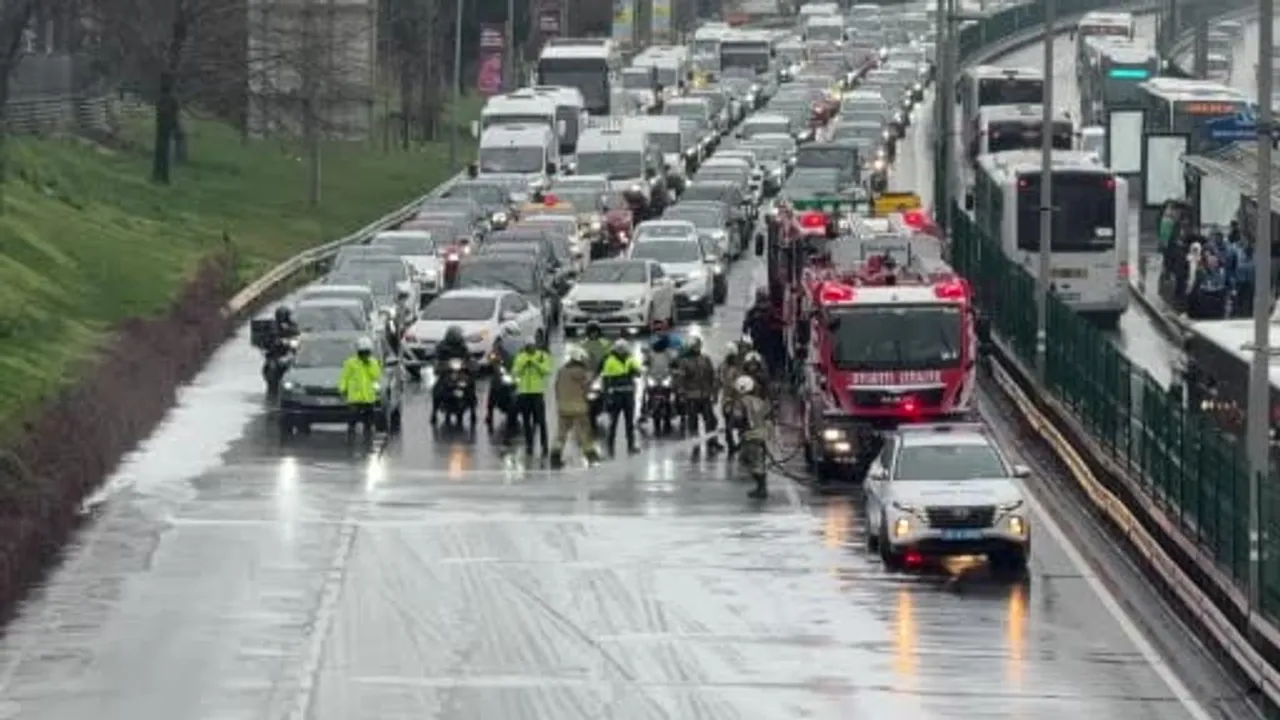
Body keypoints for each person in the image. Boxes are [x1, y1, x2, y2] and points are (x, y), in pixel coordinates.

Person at [550, 345, 600, 468]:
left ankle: (555, 457)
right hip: (579, 408)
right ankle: (592, 457)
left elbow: (556, 388)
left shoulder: (562, 371)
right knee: (583, 433)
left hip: (563, 407)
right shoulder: (582, 372)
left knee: (561, 434)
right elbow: (587, 387)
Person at [673, 336, 724, 453]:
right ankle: (695, 445)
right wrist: (681, 394)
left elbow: (713, 376)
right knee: (693, 423)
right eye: (695, 346)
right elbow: (680, 380)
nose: (697, 348)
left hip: (705, 396)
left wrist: (715, 393)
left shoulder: (705, 359)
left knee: (711, 421)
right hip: (691, 397)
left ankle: (712, 442)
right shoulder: (684, 362)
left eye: (698, 346)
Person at [727, 374, 771, 499]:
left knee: (752, 462)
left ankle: (762, 489)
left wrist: (731, 425)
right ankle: (760, 487)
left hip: (750, 436)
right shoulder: (758, 400)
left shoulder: (740, 402)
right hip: (760, 434)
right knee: (753, 460)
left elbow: (737, 418)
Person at [600, 339, 643, 456]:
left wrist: (635, 371)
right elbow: (605, 380)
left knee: (630, 423)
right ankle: (610, 447)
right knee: (613, 423)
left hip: (629, 395)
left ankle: (631, 445)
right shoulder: (610, 361)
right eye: (620, 349)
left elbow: (639, 371)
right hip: (616, 396)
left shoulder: (630, 359)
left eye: (623, 349)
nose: (622, 351)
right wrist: (607, 397)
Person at [511, 340, 553, 456]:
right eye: (528, 347)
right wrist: (523, 366)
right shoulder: (520, 357)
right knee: (526, 420)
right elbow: (515, 372)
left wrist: (535, 364)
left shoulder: (541, 356)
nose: (530, 349)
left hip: (537, 392)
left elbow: (547, 371)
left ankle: (544, 443)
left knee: (541, 420)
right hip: (524, 392)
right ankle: (529, 443)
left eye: (532, 347)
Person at [338, 336, 382, 441]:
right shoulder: (351, 363)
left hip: (368, 398)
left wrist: (369, 365)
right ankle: (351, 438)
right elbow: (345, 376)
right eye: (363, 353)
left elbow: (376, 376)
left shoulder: (373, 363)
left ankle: (368, 439)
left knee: (368, 422)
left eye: (367, 353)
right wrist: (342, 389)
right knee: (352, 420)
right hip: (355, 398)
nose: (365, 355)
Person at [432, 325, 475, 424]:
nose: (457, 337)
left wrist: (471, 365)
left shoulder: (463, 346)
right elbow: (437, 358)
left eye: (458, 335)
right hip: (447, 372)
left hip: (461, 372)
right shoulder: (441, 347)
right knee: (437, 388)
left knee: (471, 385)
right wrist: (438, 365)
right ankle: (434, 412)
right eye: (455, 335)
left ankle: (473, 411)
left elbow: (468, 357)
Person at [743, 288, 784, 378]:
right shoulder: (757, 311)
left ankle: (769, 374)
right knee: (766, 358)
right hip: (762, 339)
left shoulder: (758, 310)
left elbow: (746, 324)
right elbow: (746, 324)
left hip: (763, 339)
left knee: (766, 358)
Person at [718, 342, 743, 454]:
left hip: (739, 398)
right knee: (729, 421)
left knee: (742, 421)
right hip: (729, 398)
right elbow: (723, 381)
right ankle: (731, 444)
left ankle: (740, 443)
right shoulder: (724, 368)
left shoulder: (739, 366)